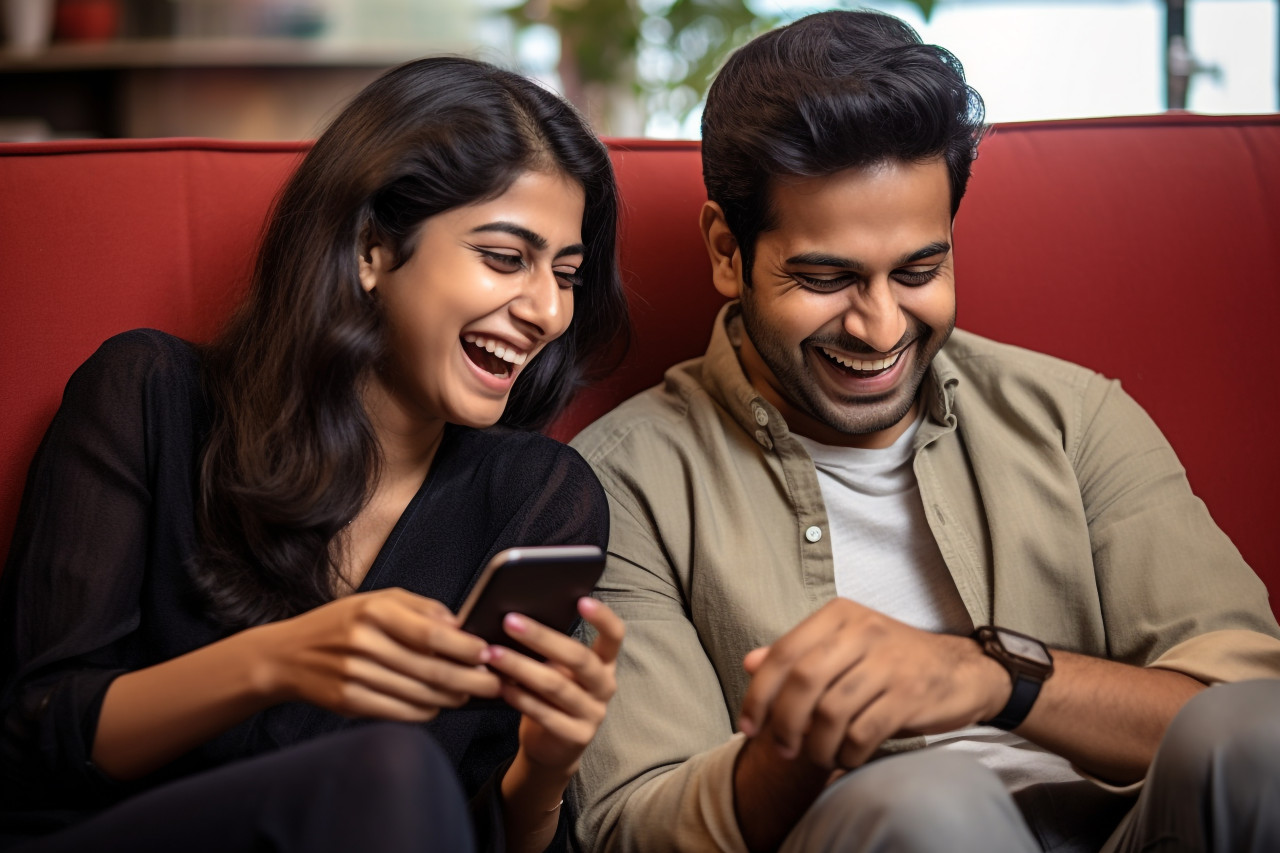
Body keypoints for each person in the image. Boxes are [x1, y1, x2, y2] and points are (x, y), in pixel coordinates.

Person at [568, 10, 1280, 853]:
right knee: (925, 802)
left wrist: (992, 677)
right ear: (728, 251)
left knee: (1252, 734)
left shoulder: (1072, 416)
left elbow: (1245, 694)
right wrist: (796, 748)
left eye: (918, 270)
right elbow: (631, 824)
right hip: (887, 832)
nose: (878, 328)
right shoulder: (622, 484)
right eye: (826, 277)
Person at [0, 56, 629, 853]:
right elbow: (33, 736)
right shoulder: (149, 397)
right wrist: (278, 660)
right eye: (506, 257)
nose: (546, 310)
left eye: (566, 275)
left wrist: (544, 769)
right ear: (371, 247)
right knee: (391, 769)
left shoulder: (537, 498)